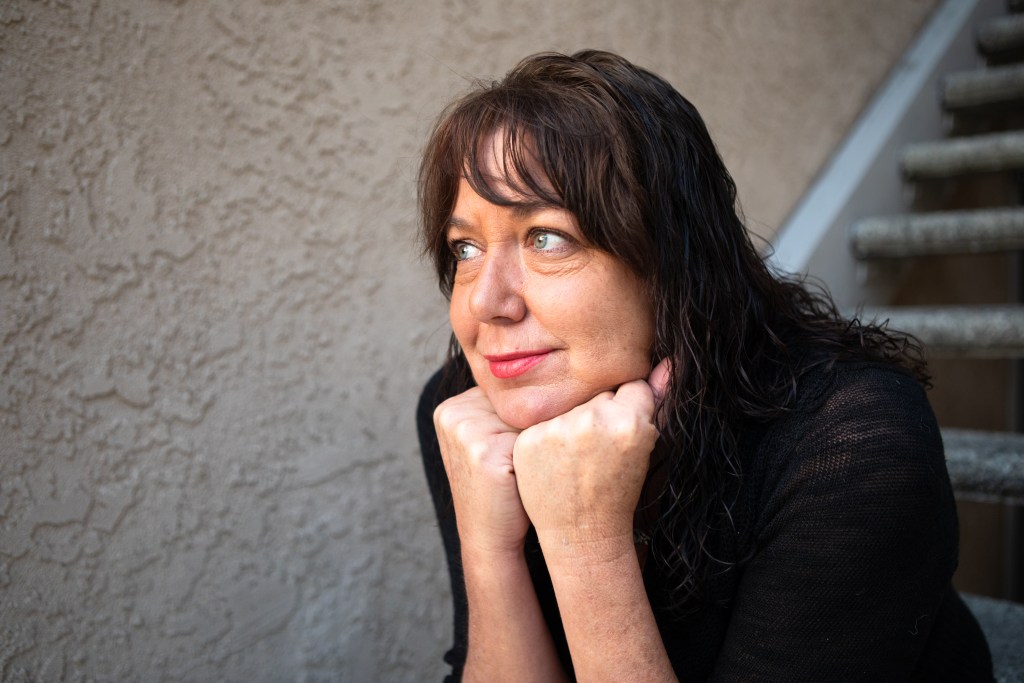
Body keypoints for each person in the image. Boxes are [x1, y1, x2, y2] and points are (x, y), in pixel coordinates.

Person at [415, 49, 993, 681]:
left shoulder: (853, 442)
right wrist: (489, 550)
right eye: (464, 247)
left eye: (547, 237)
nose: (487, 303)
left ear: (672, 260)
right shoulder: (466, 418)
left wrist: (585, 544)